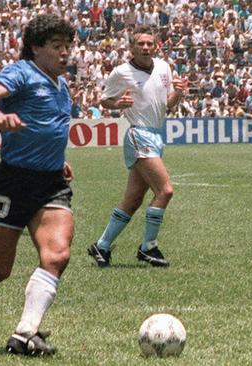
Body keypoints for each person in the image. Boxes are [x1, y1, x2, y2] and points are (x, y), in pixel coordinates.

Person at [0, 14, 75, 356]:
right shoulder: (22, 72)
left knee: (57, 254)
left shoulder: (63, 84)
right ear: (35, 48)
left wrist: (57, 158)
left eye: (68, 46)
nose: (65, 53)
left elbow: (51, 128)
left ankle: (24, 333)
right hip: (14, 181)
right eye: (57, 47)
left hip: (51, 182)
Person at [87, 26, 187, 268]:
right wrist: (118, 103)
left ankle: (101, 246)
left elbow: (167, 105)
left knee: (133, 200)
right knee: (165, 191)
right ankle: (148, 247)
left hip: (155, 134)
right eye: (140, 44)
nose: (145, 48)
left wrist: (180, 94)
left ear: (156, 46)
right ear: (132, 47)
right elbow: (105, 101)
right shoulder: (121, 72)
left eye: (149, 44)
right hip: (138, 135)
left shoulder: (164, 67)